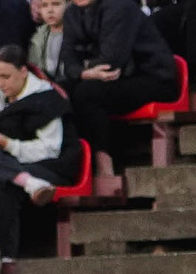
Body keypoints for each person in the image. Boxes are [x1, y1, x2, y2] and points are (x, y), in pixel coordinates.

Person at [57, 0, 171, 199]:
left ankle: (105, 167)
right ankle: (73, 166)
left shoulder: (120, 6)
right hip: (100, 77)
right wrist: (83, 72)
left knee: (87, 94)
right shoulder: (72, 14)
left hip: (151, 78)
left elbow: (113, 58)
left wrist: (81, 70)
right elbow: (67, 59)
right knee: (59, 92)